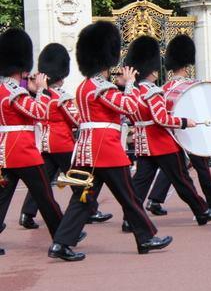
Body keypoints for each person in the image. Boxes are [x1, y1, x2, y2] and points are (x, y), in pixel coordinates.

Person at [49, 21, 171, 261]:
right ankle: (145, 237)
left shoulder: (86, 85)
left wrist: (122, 86)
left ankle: (61, 243)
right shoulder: (101, 87)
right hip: (105, 149)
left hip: (87, 150)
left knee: (84, 198)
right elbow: (131, 107)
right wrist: (132, 85)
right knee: (129, 196)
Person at [121, 36, 211, 232]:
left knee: (140, 184)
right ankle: (202, 211)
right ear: (151, 71)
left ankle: (129, 218)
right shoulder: (152, 92)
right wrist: (185, 122)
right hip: (162, 143)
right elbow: (161, 118)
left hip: (144, 144)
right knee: (182, 180)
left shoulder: (133, 92)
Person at [18, 43, 112, 230]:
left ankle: (27, 213)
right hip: (62, 144)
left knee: (42, 183)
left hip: (45, 143)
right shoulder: (61, 96)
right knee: (79, 178)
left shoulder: (41, 94)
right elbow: (75, 119)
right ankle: (91, 210)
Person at [0, 29, 66, 257]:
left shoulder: (5, 89)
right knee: (45, 196)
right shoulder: (14, 92)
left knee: (2, 197)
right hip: (22, 150)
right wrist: (41, 91)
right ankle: (63, 239)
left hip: (6, 150)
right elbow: (40, 113)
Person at [146, 35, 211, 215]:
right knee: (201, 168)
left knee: (174, 168)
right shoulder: (192, 85)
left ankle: (155, 199)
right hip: (191, 130)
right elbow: (202, 109)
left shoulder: (164, 88)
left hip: (171, 133)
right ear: (187, 64)